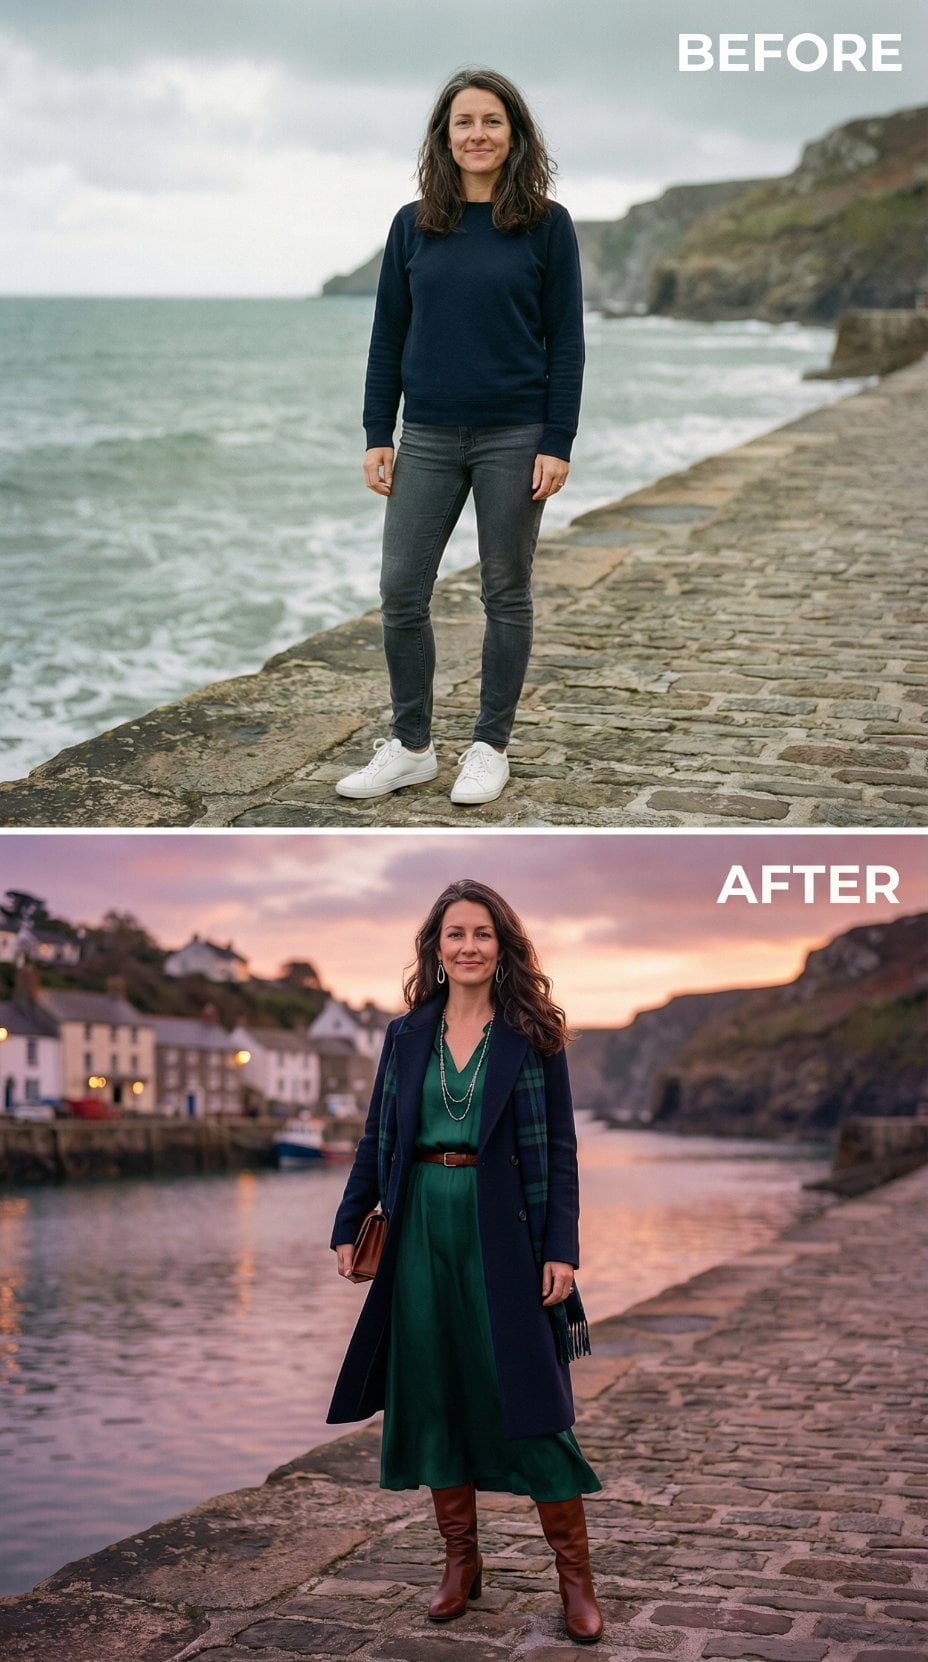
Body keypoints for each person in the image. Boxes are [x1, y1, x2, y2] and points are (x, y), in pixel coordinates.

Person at [327, 879, 603, 1644]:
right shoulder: (405, 1035)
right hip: (417, 1229)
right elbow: (377, 1135)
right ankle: (460, 1565)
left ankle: (575, 1580)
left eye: (483, 933)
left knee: (532, 1401)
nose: (469, 946)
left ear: (502, 946)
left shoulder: (533, 1036)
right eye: (456, 934)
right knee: (436, 1392)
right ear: (436, 948)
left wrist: (562, 1251)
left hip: (501, 1237)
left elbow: (563, 1155)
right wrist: (349, 1223)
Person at [336, 68, 585, 808]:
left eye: (492, 122)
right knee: (400, 588)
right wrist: (379, 430)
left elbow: (566, 344)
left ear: (515, 136)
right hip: (431, 436)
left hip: (516, 434)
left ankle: (489, 746)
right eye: (463, 123)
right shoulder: (414, 224)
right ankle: (412, 746)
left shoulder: (548, 223)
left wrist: (557, 439)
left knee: (505, 591)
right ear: (444, 139)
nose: (477, 134)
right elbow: (389, 336)